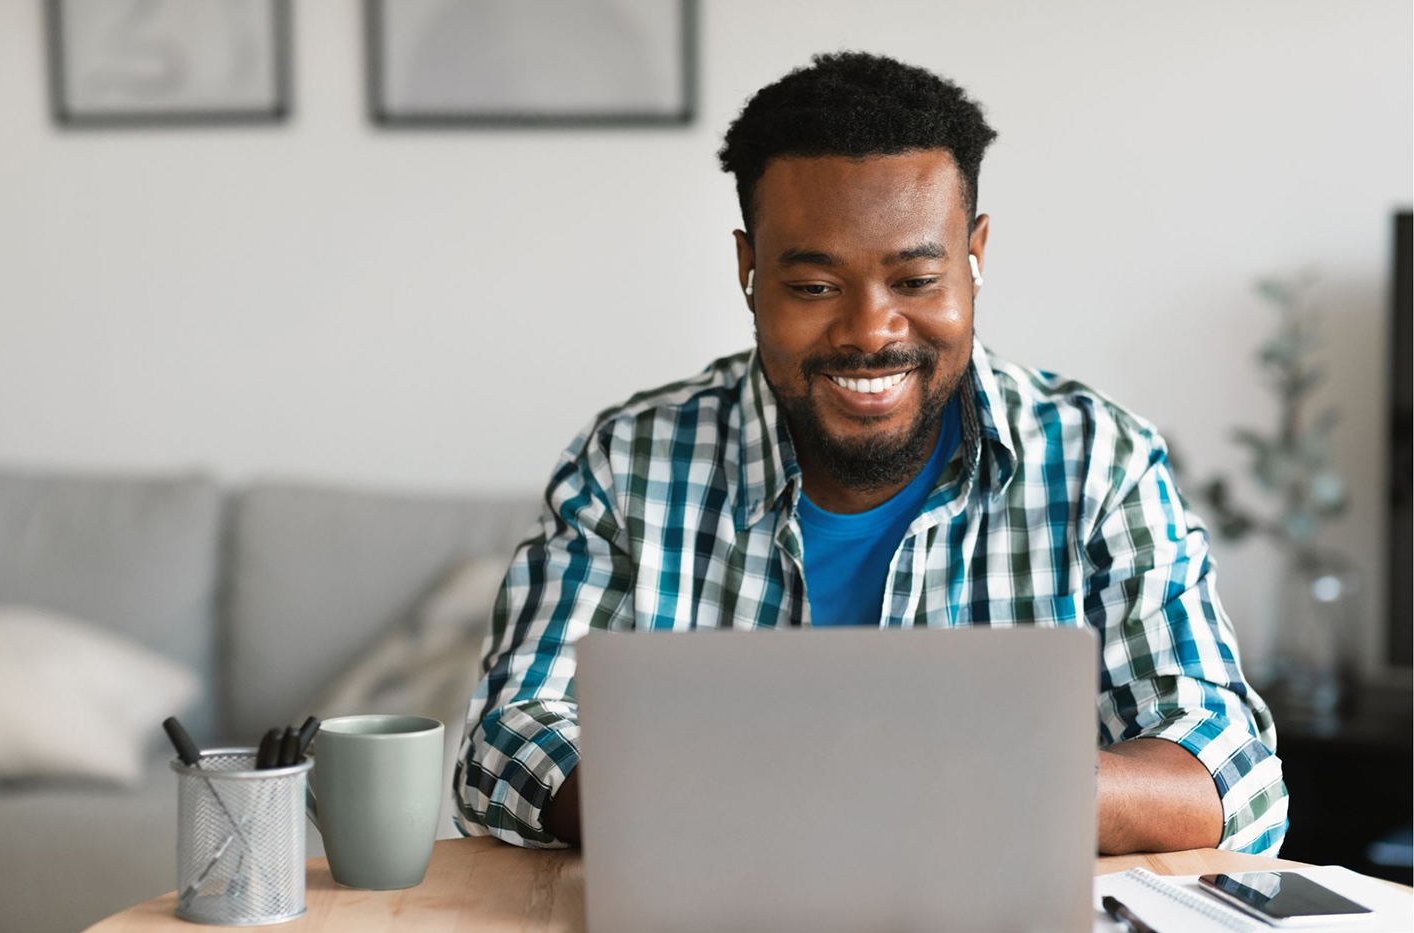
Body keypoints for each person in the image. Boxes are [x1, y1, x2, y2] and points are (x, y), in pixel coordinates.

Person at [452, 52, 1288, 856]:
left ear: (975, 258)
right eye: (815, 288)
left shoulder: (1100, 460)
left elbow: (1231, 774)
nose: (869, 332)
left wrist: (966, 791)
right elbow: (506, 740)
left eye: (917, 281)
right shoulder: (629, 464)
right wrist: (755, 802)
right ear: (749, 268)